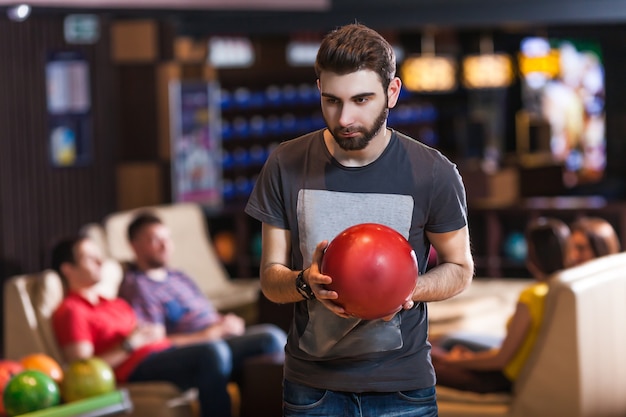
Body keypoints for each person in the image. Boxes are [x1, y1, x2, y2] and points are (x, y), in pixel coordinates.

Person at [244, 23, 474, 417]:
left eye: (361, 99)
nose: (345, 116)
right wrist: (305, 283)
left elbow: (461, 268)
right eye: (332, 100)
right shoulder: (285, 163)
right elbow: (270, 278)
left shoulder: (432, 172)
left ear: (393, 92)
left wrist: (409, 288)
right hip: (312, 389)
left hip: (403, 387)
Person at [51, 235, 234, 417]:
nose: (100, 262)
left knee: (250, 344)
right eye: (90, 258)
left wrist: (152, 333)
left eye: (99, 256)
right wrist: (129, 345)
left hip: (163, 351)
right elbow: (82, 372)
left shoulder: (115, 303)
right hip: (135, 367)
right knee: (213, 352)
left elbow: (143, 333)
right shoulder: (72, 310)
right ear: (68, 269)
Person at [118, 212, 287, 380]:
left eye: (167, 238)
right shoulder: (138, 286)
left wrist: (225, 322)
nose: (166, 245)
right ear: (134, 246)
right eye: (155, 240)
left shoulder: (178, 276)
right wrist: (206, 336)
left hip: (219, 337)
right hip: (195, 350)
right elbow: (154, 342)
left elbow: (205, 312)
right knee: (269, 338)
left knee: (276, 339)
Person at [431, 217, 571, 393]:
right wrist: (469, 357)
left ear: (533, 253)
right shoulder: (559, 291)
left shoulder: (532, 296)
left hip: (501, 379)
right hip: (513, 372)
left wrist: (454, 361)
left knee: (424, 361)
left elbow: (501, 360)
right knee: (434, 350)